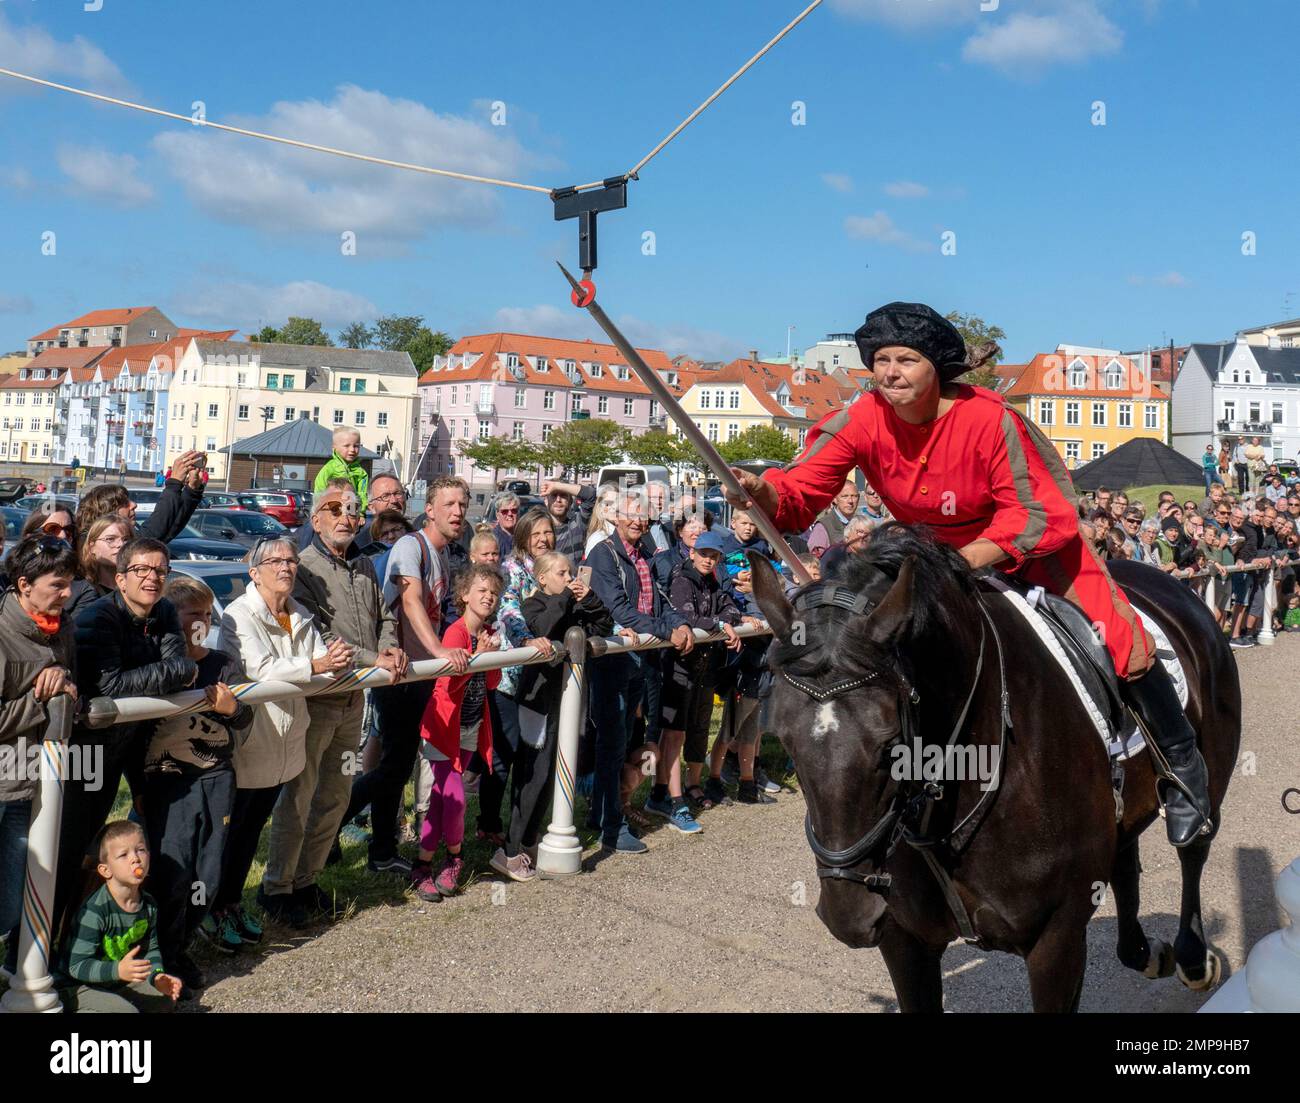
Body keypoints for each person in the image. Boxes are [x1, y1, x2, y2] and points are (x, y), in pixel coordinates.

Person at [727, 301, 1212, 848]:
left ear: (936, 366)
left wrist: (962, 560)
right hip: (926, 557)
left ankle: (1181, 768)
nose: (890, 372)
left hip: (1036, 551)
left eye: (906, 359)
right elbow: (798, 494)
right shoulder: (860, 418)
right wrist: (761, 492)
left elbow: (1037, 514)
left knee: (1120, 637)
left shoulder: (990, 418)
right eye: (881, 359)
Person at [268, 489, 406, 925]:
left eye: (352, 509)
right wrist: (375, 659)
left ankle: (306, 882)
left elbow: (385, 617)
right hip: (317, 701)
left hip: (354, 701)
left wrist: (390, 648)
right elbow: (316, 630)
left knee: (336, 794)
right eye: (333, 509)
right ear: (315, 518)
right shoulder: (302, 568)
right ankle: (277, 888)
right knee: (300, 795)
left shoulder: (364, 564)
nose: (345, 517)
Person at [56, 538, 198, 938]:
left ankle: (99, 941)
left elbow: (179, 668)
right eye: (142, 570)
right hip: (87, 753)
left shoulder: (165, 610)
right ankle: (33, 953)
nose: (152, 578)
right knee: (71, 850)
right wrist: (171, 673)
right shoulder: (98, 617)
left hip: (135, 745)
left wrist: (170, 673)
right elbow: (109, 685)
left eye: (160, 571)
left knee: (144, 844)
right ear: (120, 578)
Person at [341, 477, 470, 876]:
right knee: (392, 768)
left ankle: (380, 851)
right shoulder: (409, 546)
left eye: (463, 505)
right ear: (428, 509)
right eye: (448, 504)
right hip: (400, 672)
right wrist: (438, 651)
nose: (457, 512)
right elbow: (411, 601)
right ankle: (331, 824)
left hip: (418, 674)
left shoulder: (442, 554)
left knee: (395, 768)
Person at [217, 537, 347, 931]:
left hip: (289, 740)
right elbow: (259, 668)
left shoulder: (301, 612)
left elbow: (322, 666)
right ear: (254, 573)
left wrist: (333, 659)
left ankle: (238, 904)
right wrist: (317, 663)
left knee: (256, 825)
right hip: (256, 737)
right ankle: (219, 907)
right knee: (236, 832)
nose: (286, 567)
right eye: (275, 561)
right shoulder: (238, 616)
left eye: (291, 560)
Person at [141, 575, 252, 987]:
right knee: (172, 871)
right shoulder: (158, 665)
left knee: (208, 870)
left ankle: (183, 942)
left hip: (218, 778)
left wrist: (231, 707)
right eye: (193, 614)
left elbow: (246, 719)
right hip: (168, 782)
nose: (202, 620)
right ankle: (162, 954)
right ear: (171, 617)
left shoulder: (222, 664)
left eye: (208, 613)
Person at [497, 552, 623, 881]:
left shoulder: (572, 604)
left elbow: (603, 624)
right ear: (542, 579)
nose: (569, 577)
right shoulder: (534, 604)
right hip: (537, 701)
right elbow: (544, 626)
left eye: (570, 571)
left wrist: (589, 598)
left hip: (566, 702)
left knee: (554, 773)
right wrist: (567, 596)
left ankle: (530, 841)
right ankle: (509, 849)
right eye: (561, 572)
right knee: (532, 776)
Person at [586, 489, 693, 855]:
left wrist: (681, 625)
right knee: (612, 744)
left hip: (642, 661)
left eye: (643, 515)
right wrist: (668, 630)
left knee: (635, 743)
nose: (638, 520)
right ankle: (608, 826)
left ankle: (609, 812)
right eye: (631, 514)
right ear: (614, 518)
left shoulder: (646, 553)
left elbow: (662, 602)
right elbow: (618, 609)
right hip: (614, 661)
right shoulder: (603, 554)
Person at [0, 536, 79, 977]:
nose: (67, 595)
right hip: (4, 781)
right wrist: (39, 696)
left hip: (30, 781)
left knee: (10, 906)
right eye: (58, 586)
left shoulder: (60, 625)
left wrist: (64, 683)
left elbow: (71, 692)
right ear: (24, 585)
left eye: (70, 584)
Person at [411, 564, 503, 900]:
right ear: (464, 595)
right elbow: (448, 688)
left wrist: (489, 657)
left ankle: (421, 864)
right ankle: (454, 858)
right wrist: (480, 656)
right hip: (443, 728)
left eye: (493, 592)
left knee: (440, 801)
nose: (488, 597)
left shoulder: (489, 633)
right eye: (481, 590)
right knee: (456, 799)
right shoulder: (455, 633)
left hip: (470, 727)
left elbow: (491, 683)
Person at [656, 530, 756, 823]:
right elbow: (686, 616)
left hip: (706, 665)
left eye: (714, 556)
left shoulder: (713, 580)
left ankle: (693, 785)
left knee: (700, 727)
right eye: (704, 554)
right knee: (674, 732)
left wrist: (730, 619)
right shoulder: (681, 578)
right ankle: (670, 798)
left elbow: (728, 606)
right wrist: (723, 625)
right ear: (692, 553)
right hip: (680, 665)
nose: (709, 560)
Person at [483, 507, 557, 847]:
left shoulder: (555, 567)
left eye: (548, 533)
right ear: (524, 537)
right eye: (536, 533)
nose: (543, 539)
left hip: (541, 678)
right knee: (504, 752)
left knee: (531, 755)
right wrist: (527, 638)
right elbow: (508, 608)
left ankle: (521, 825)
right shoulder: (513, 568)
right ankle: (488, 822)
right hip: (510, 677)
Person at [57, 821, 182, 1013]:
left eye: (140, 850)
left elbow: (152, 949)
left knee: (165, 1000)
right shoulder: (95, 910)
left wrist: (157, 976)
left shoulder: (148, 905)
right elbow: (76, 966)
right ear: (105, 870)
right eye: (123, 855)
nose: (135, 859)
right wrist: (117, 971)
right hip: (78, 986)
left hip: (117, 980)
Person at [74, 450, 207, 544]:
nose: (134, 505)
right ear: (107, 513)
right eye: (124, 503)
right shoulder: (110, 545)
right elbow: (154, 530)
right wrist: (174, 483)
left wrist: (192, 490)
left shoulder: (131, 535)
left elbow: (169, 527)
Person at [64, 515, 132, 619]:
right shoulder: (80, 590)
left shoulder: (137, 587)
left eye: (126, 539)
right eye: (110, 539)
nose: (120, 544)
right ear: (92, 547)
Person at [314, 427, 368, 511]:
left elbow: (362, 494)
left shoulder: (361, 472)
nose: (352, 450)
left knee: (350, 521)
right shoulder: (330, 468)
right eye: (347, 446)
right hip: (332, 508)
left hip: (351, 508)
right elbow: (319, 489)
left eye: (356, 446)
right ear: (334, 448)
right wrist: (319, 509)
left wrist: (361, 512)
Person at [541, 479, 596, 559]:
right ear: (546, 501)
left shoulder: (577, 524)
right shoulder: (539, 530)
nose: (558, 500)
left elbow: (591, 494)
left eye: (563, 495)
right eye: (554, 495)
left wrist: (557, 486)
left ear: (570, 501)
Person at [817, 481, 859, 545]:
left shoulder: (862, 523)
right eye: (845, 496)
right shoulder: (823, 526)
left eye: (854, 496)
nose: (850, 501)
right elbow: (816, 554)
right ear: (835, 499)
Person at [491, 492, 520, 558]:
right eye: (504, 511)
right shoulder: (493, 540)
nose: (510, 514)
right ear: (497, 515)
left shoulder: (523, 537)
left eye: (514, 510)